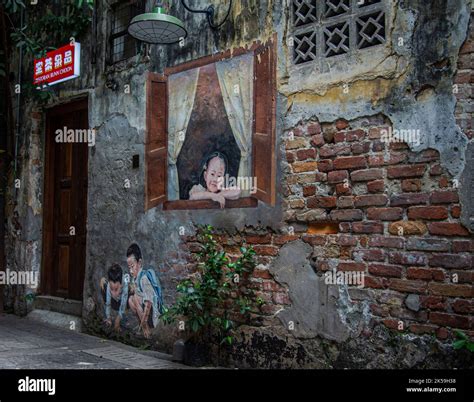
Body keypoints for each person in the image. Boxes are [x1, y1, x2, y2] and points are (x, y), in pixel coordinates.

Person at [127, 243, 164, 339]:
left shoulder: (144, 278)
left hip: (151, 312)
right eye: (129, 267)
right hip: (143, 310)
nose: (131, 271)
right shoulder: (135, 278)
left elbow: (148, 304)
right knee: (131, 299)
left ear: (139, 263)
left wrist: (143, 325)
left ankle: (145, 329)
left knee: (134, 298)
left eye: (132, 266)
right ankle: (143, 327)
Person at [100, 264, 129, 333]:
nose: (113, 293)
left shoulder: (125, 283)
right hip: (114, 303)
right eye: (111, 289)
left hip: (122, 303)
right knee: (103, 283)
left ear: (121, 285)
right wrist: (108, 317)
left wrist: (118, 319)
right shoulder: (109, 285)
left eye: (116, 289)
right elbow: (108, 303)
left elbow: (123, 304)